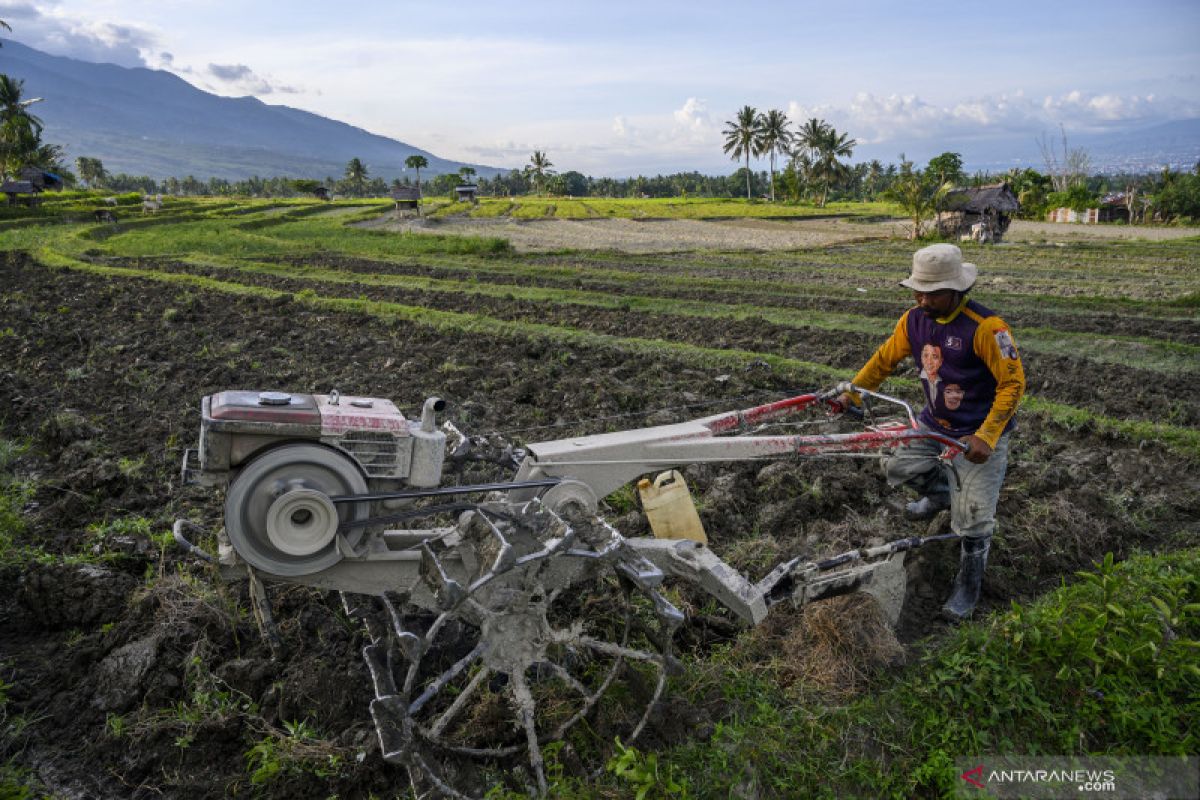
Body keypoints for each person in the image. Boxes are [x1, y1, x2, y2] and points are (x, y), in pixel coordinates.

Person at [842, 244, 1026, 621]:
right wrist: (853, 392)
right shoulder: (913, 320)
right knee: (896, 463)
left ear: (957, 289)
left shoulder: (987, 328)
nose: (923, 298)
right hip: (933, 423)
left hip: (976, 433)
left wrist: (987, 437)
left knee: (974, 518)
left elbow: (1013, 385)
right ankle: (943, 493)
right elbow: (884, 360)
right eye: (918, 290)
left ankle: (967, 587)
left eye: (933, 291)